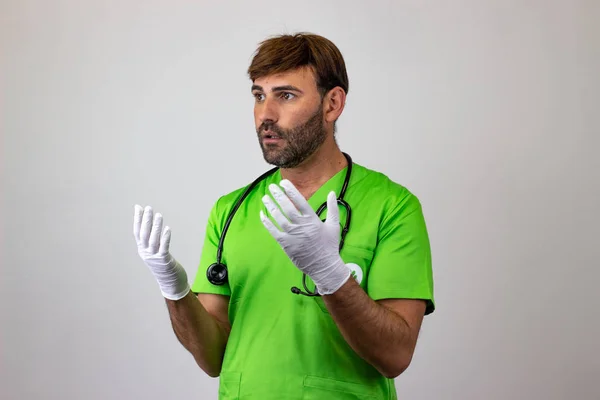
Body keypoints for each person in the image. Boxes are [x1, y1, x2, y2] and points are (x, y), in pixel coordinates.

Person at [133, 32, 435, 399]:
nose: (266, 115)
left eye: (286, 95)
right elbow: (212, 359)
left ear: (332, 104)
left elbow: (395, 355)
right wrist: (175, 290)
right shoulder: (231, 210)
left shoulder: (392, 206)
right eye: (259, 96)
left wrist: (331, 275)